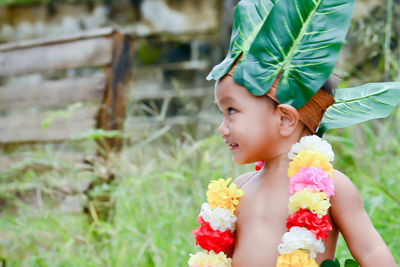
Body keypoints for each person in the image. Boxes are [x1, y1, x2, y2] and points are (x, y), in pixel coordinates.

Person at [188, 0, 399, 266]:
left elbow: (371, 251)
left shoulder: (332, 187)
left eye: (231, 111)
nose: (222, 128)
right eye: (222, 112)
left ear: (286, 119)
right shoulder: (237, 192)